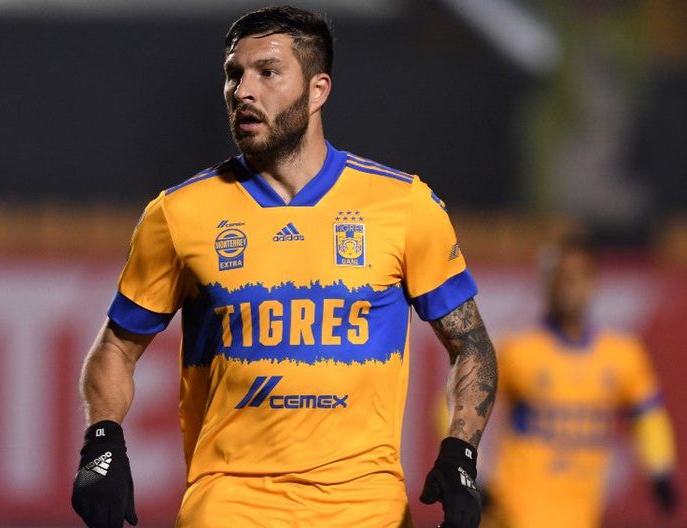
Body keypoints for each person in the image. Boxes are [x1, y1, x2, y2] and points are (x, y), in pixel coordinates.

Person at [70, 6, 497, 528]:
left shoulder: (404, 206)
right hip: (229, 506)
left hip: (367, 510)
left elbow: (471, 344)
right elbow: (116, 348)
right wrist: (102, 442)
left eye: (267, 72)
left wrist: (461, 452)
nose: (243, 91)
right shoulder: (178, 214)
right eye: (234, 74)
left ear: (318, 91)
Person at [485, 235, 678, 528]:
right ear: (548, 283)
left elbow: (647, 414)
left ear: (594, 281)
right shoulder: (517, 349)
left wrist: (660, 467)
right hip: (517, 513)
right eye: (562, 276)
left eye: (579, 275)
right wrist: (473, 472)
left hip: (582, 515)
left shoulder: (622, 355)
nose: (569, 286)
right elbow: (455, 403)